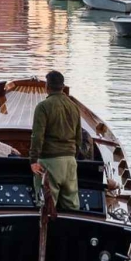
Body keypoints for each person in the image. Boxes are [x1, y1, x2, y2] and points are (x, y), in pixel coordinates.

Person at [30, 70, 84, 213]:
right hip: (70, 162)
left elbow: (37, 136)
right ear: (63, 86)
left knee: (46, 205)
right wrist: (73, 156)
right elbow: (79, 137)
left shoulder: (43, 107)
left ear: (47, 86)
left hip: (50, 161)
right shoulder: (74, 107)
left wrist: (33, 160)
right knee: (72, 206)